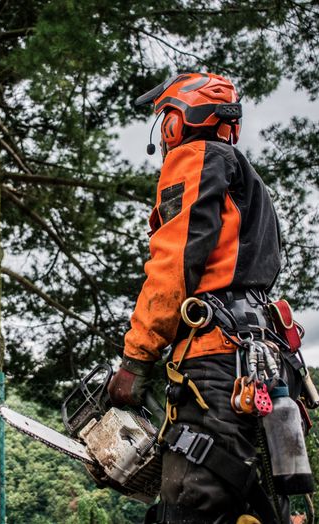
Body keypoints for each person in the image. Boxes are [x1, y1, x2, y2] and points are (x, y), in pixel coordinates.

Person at [108, 73, 313, 523]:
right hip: (262, 362)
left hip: (216, 364)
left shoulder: (193, 159)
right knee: (253, 506)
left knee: (191, 505)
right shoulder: (247, 178)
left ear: (177, 122)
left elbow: (173, 265)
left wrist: (135, 358)